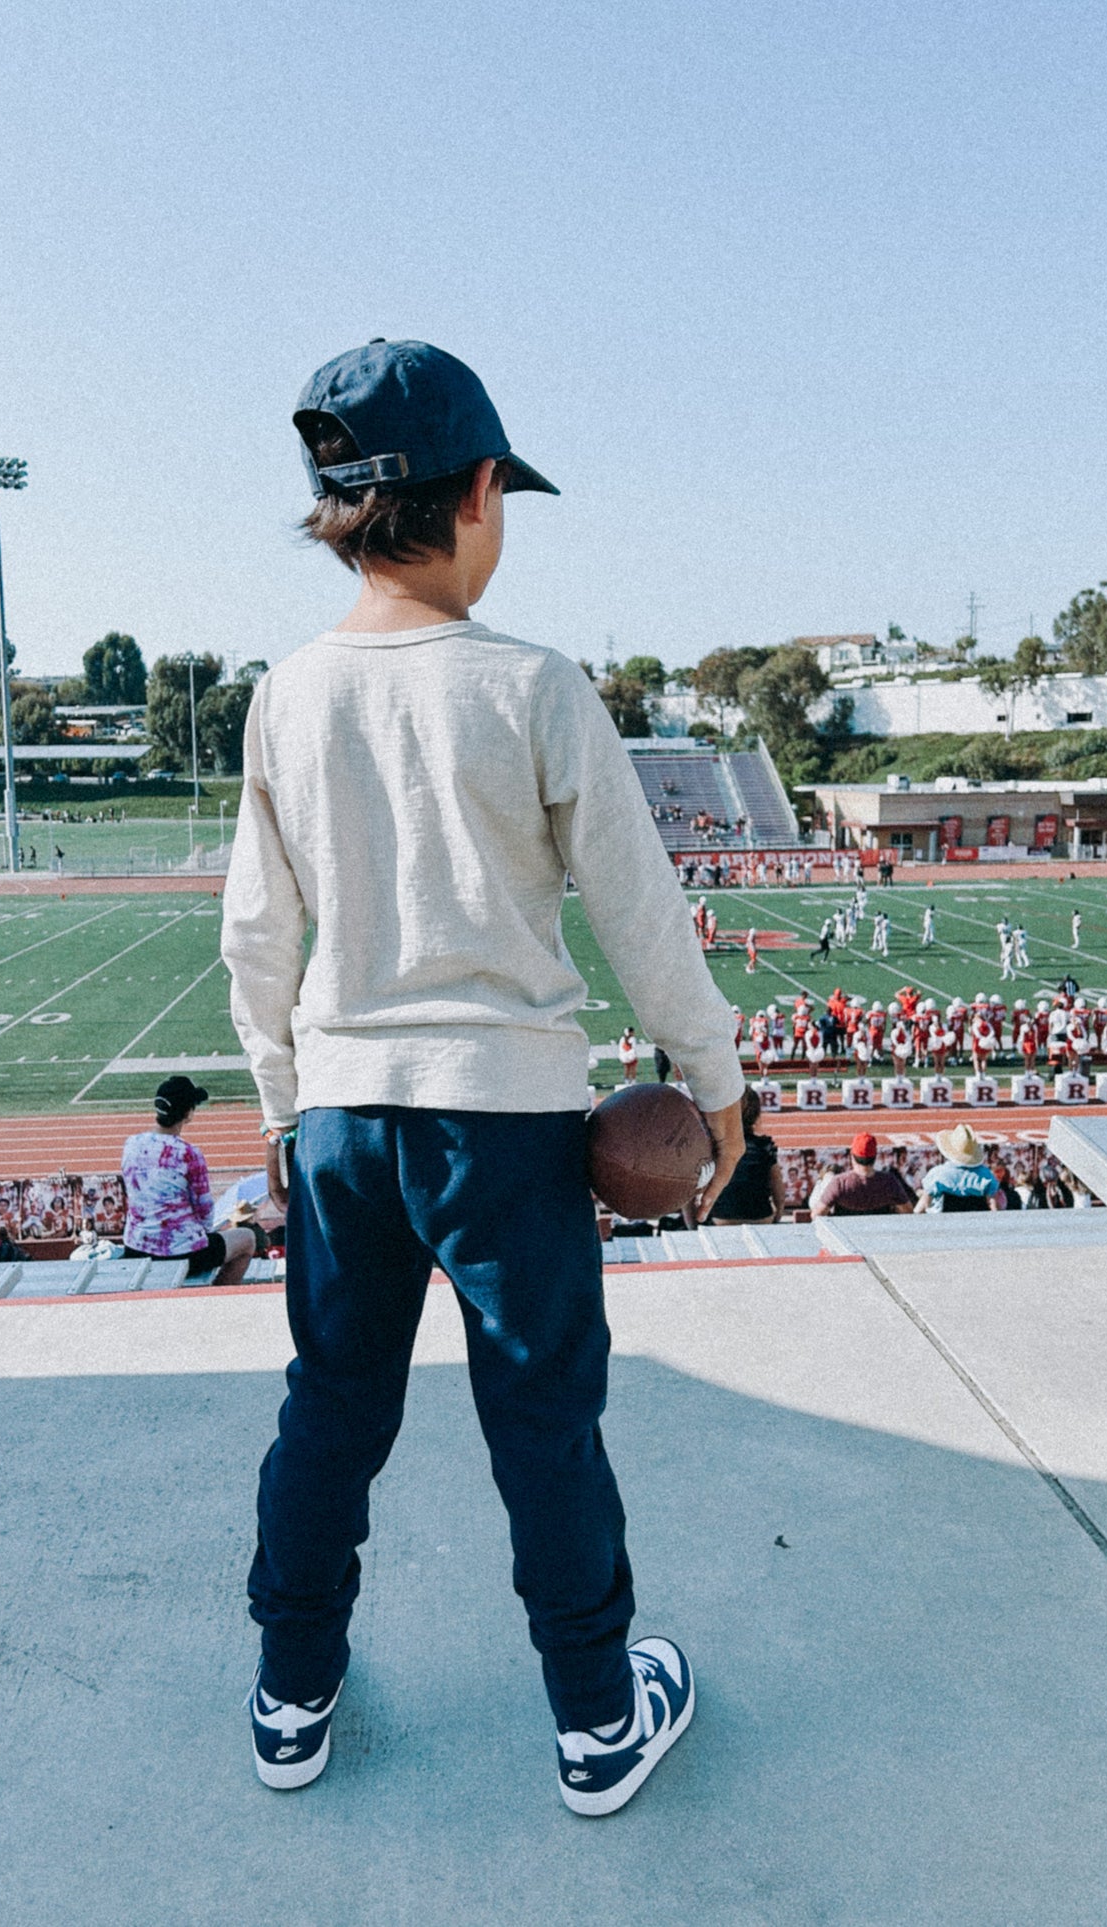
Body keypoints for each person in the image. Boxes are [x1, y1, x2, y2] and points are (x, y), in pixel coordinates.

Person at [221, 341, 742, 1813]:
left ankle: (290, 1690)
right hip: (503, 1122)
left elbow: (255, 932)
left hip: (339, 1116)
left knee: (329, 1408)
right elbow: (640, 912)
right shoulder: (533, 684)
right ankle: (593, 1715)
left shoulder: (284, 692)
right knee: (541, 1419)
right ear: (479, 490)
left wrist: (278, 1105)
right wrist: (715, 1081)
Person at [120, 1076, 255, 1286]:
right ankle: (219, 1297)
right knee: (247, 1239)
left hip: (135, 1247)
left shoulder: (131, 1144)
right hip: (181, 1252)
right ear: (188, 1113)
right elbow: (204, 1210)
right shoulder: (188, 1154)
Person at [691, 1085, 783, 1225]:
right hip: (761, 1216)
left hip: (721, 1218)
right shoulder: (764, 1146)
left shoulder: (711, 1149)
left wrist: (691, 1226)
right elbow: (779, 1191)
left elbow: (690, 1189)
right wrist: (778, 1216)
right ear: (755, 1114)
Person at [810, 1131, 915, 1217]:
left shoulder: (840, 1183)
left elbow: (816, 1215)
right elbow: (908, 1212)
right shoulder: (889, 1182)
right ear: (875, 1157)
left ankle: (824, 1178)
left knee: (828, 1177)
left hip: (845, 1237)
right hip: (880, 1236)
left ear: (852, 1156)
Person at [921, 1124, 1002, 1213]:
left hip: (943, 1224)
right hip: (978, 1224)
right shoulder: (987, 1175)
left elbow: (924, 1206)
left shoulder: (937, 1174)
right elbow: (994, 1208)